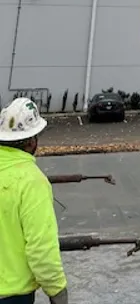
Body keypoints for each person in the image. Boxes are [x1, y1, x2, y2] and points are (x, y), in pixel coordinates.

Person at [0, 98, 68, 304]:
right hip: (11, 294)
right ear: (31, 141)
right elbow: (41, 248)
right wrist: (57, 290)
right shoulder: (31, 181)